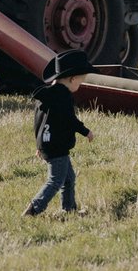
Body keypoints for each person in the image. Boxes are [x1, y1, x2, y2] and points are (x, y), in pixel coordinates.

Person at [23, 49, 97, 216]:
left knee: (68, 178)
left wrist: (40, 144)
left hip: (48, 144)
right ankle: (34, 208)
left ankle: (69, 209)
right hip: (57, 146)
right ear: (72, 79)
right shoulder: (63, 96)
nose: (80, 86)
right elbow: (70, 119)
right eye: (80, 82)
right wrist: (86, 131)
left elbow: (39, 122)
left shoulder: (47, 95)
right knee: (56, 180)